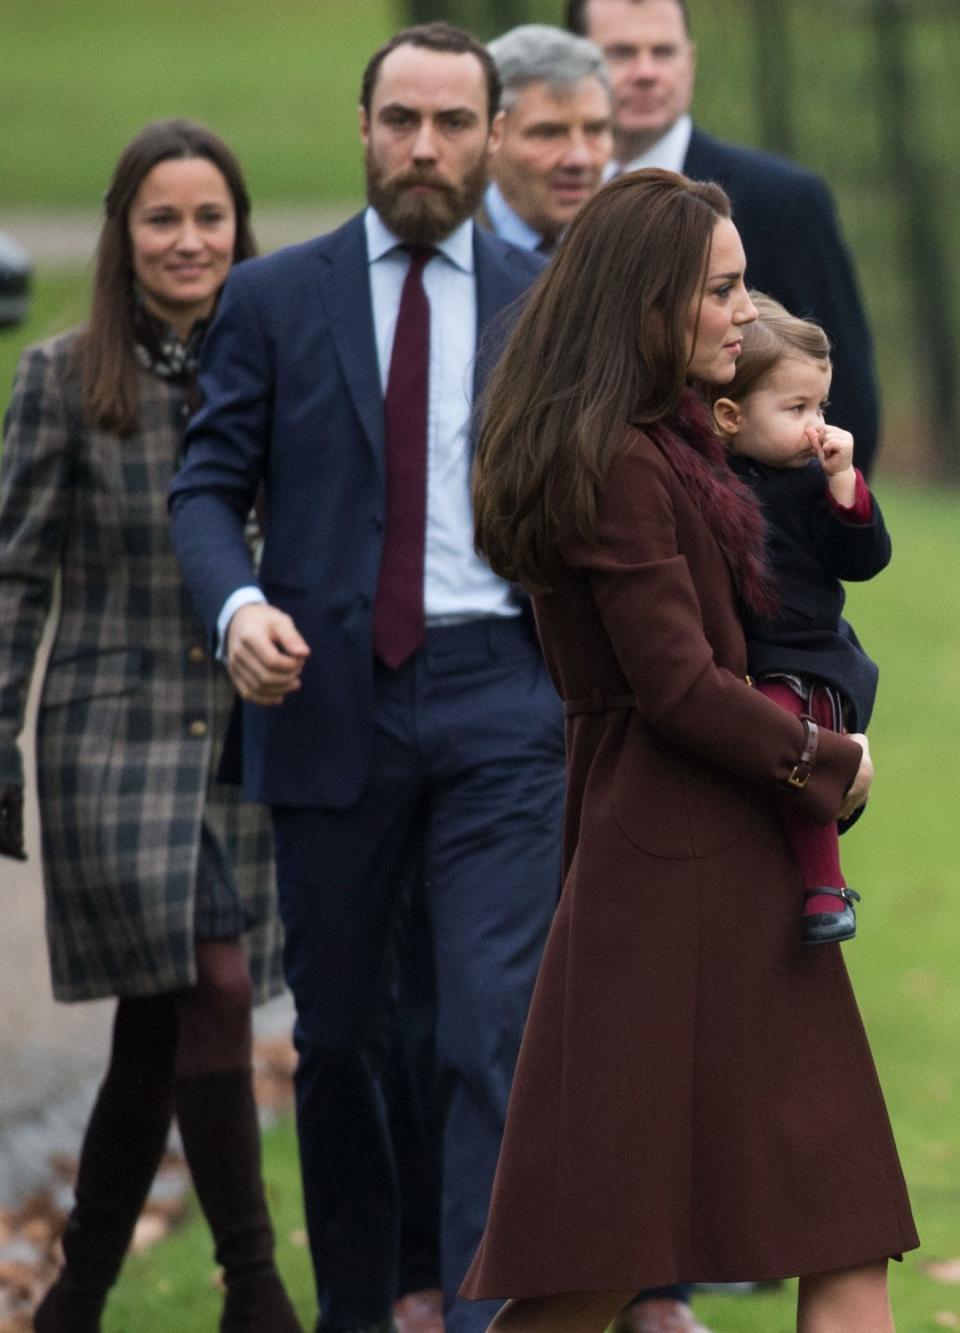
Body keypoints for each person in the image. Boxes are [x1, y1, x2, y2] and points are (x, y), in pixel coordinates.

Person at [458, 168, 918, 1333]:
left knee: (837, 1214)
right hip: (673, 876)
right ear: (651, 302)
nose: (743, 311)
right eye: (723, 289)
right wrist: (828, 759)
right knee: (611, 1250)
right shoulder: (619, 460)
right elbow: (675, 687)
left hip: (729, 864)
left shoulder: (671, 447)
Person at [168, 23, 565, 1333]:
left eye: (454, 122)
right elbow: (209, 489)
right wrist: (235, 607)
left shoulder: (540, 298)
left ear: (493, 136)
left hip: (504, 696)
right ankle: (354, 1312)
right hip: (326, 699)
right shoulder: (277, 297)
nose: (425, 147)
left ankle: (478, 1313)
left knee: (486, 1034)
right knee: (336, 1040)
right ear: (363, 126)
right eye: (402, 119)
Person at [0, 120, 302, 1332]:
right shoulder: (62, 379)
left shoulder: (282, 363)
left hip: (239, 736)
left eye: (209, 216)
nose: (189, 240)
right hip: (107, 735)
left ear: (240, 229)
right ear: (124, 236)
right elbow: (13, 577)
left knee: (159, 1016)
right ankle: (256, 1286)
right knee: (216, 982)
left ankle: (77, 1293)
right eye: (161, 218)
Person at [566, 0, 882, 478]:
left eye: (664, 52)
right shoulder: (552, 195)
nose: (646, 72)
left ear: (690, 61)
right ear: (574, 64)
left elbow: (846, 399)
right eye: (621, 53)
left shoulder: (784, 203)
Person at [710, 292, 892, 946]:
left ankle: (823, 885)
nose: (818, 426)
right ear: (729, 416)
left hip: (808, 654)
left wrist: (847, 489)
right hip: (750, 652)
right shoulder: (710, 480)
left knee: (796, 739)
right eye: (796, 409)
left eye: (821, 407)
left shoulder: (815, 481)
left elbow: (864, 559)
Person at [479, 25, 613, 254]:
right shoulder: (448, 248)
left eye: (595, 130)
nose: (579, 159)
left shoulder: (638, 251)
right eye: (548, 133)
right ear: (491, 138)